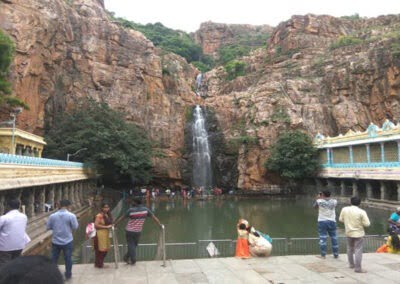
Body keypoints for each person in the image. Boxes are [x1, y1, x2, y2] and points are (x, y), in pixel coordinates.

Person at [115, 198, 162, 265]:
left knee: (132, 246)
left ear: (135, 203)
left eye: (133, 202)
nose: (131, 203)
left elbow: (121, 218)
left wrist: (115, 224)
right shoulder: (146, 210)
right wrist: (159, 224)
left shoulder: (130, 210)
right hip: (137, 231)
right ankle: (131, 259)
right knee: (133, 246)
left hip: (130, 231)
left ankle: (128, 257)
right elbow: (154, 218)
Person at [46, 199, 78, 280]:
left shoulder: (52, 216)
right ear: (68, 206)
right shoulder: (71, 216)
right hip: (68, 241)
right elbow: (75, 227)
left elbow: (48, 227)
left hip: (55, 241)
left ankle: (53, 275)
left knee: (54, 259)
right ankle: (68, 275)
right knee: (68, 259)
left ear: (59, 206)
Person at [339, 196, 370, 273]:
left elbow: (340, 219)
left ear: (350, 202)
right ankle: (358, 268)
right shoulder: (362, 212)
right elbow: (367, 224)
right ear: (360, 203)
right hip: (358, 233)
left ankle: (351, 264)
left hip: (348, 232)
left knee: (349, 248)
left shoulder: (344, 209)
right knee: (358, 250)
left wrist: (347, 223)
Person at [0, 199, 30, 268]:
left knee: (4, 265)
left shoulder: (4, 218)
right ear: (19, 206)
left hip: (5, 247)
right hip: (19, 245)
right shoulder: (24, 216)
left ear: (8, 206)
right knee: (16, 264)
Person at [313, 190, 339, 259]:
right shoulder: (335, 201)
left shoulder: (319, 201)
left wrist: (318, 198)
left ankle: (323, 255)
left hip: (322, 221)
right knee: (334, 237)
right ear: (330, 194)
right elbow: (333, 206)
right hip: (332, 221)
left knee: (322, 238)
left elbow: (314, 207)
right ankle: (336, 254)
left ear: (323, 195)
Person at [93, 203, 113, 268]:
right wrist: (106, 227)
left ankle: (99, 263)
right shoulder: (99, 215)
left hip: (106, 234)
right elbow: (96, 225)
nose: (106, 209)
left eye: (107, 207)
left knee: (105, 249)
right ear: (102, 208)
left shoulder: (107, 215)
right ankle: (99, 264)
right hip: (100, 234)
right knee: (101, 250)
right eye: (105, 207)